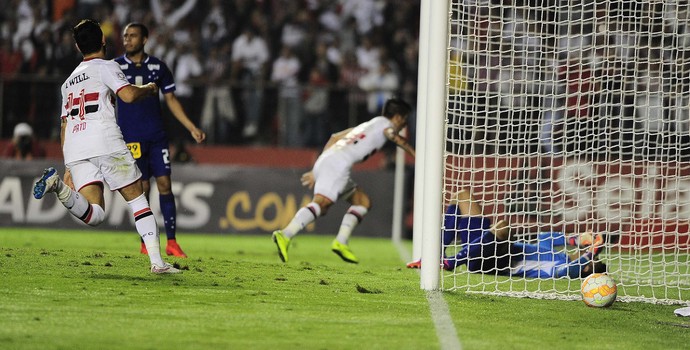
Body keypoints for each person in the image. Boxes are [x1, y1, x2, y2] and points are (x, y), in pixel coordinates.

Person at [32, 19, 179, 274]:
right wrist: (148, 88)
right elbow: (128, 95)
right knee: (138, 200)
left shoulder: (67, 83)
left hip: (76, 149)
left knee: (96, 215)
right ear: (103, 40)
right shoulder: (106, 67)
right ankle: (158, 263)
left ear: (78, 47)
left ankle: (57, 187)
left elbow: (64, 126)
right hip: (105, 140)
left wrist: (68, 166)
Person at [272, 98, 416, 264]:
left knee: (363, 202)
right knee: (321, 203)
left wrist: (316, 169)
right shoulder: (386, 126)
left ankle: (341, 242)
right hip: (338, 165)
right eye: (404, 119)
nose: (404, 125)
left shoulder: (367, 125)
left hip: (328, 158)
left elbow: (334, 137)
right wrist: (415, 153)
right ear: (398, 117)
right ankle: (285, 234)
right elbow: (393, 136)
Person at [114, 22, 206, 258]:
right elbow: (109, 100)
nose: (128, 40)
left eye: (133, 36)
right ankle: (146, 241)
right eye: (125, 36)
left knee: (165, 184)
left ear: (145, 39)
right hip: (131, 137)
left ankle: (172, 242)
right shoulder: (115, 67)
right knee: (142, 188)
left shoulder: (158, 67)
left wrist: (191, 127)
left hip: (156, 136)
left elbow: (172, 100)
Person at [407, 189, 606, 278]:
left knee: (503, 228)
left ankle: (450, 261)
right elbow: (545, 237)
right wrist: (577, 240)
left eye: (588, 258)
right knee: (462, 195)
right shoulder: (557, 254)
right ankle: (436, 256)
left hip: (491, 263)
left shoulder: (558, 267)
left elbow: (569, 271)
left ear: (586, 266)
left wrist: (592, 252)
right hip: (482, 246)